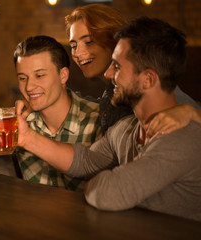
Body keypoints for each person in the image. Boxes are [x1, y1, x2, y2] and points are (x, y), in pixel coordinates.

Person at [16, 17, 201, 221]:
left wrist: (101, 182)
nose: (108, 72)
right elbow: (84, 161)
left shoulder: (181, 139)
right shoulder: (125, 128)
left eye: (117, 67)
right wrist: (26, 138)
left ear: (148, 79)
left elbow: (107, 194)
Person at [0, 35, 101, 191]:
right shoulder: (19, 120)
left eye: (39, 75)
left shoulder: (98, 119)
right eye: (23, 78)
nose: (29, 86)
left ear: (63, 75)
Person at [65, 4, 201, 136]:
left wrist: (192, 112)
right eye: (73, 45)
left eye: (89, 42)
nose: (77, 53)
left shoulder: (145, 85)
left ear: (115, 41)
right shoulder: (112, 92)